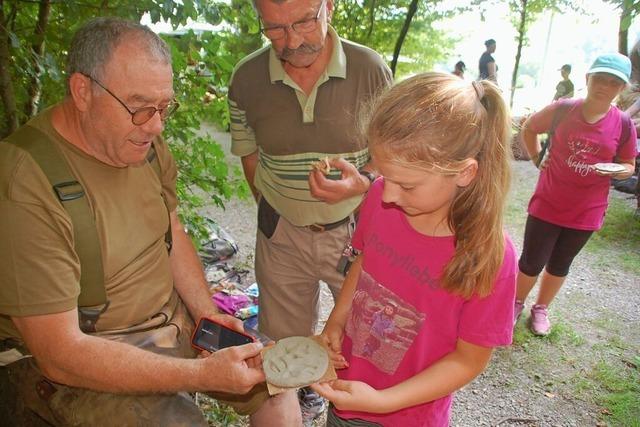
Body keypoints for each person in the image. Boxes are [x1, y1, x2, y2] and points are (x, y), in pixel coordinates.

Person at [0, 17, 300, 426]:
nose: (156, 126)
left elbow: (171, 233)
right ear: (82, 91)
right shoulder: (24, 182)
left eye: (164, 108)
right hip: (95, 348)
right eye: (140, 109)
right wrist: (200, 374)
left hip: (174, 323)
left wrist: (206, 314)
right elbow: (60, 355)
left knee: (278, 387)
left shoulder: (146, 146)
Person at [310, 72, 517, 426]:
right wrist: (337, 320)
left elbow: (469, 360)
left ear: (465, 173)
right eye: (384, 176)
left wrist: (382, 401)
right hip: (347, 397)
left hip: (408, 415)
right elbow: (365, 262)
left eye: (406, 184)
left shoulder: (490, 256)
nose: (388, 194)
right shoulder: (380, 197)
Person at [228, 0, 392, 422]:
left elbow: (393, 153)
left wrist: (364, 181)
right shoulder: (246, 78)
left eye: (304, 22)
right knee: (279, 355)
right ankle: (301, 396)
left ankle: (345, 407)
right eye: (275, 29)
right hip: (281, 238)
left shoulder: (370, 69)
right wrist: (274, 211)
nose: (293, 40)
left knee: (363, 343)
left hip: (356, 240)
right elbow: (248, 154)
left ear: (330, 8)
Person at [514, 53, 637, 336]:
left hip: (587, 209)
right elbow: (530, 127)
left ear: (622, 88)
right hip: (549, 201)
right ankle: (516, 303)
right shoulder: (564, 108)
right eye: (599, 79)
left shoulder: (623, 124)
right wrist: (537, 158)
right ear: (587, 79)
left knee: (560, 264)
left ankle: (541, 309)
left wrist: (619, 171)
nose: (604, 86)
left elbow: (629, 165)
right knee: (531, 261)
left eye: (613, 82)